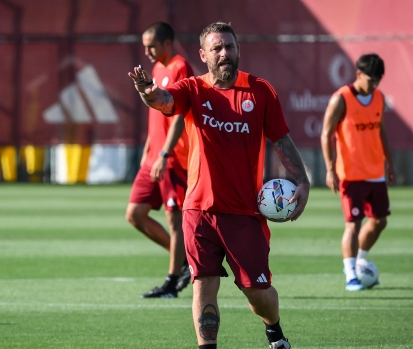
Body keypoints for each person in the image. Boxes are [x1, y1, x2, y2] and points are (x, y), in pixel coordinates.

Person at [128, 22, 309, 349]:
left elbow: (280, 138)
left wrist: (302, 180)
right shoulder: (193, 89)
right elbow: (164, 101)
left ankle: (274, 330)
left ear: (238, 49)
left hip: (244, 213)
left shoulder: (260, 90)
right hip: (198, 211)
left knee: (257, 293)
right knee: (203, 285)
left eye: (229, 47)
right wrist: (147, 91)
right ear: (204, 54)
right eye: (217, 48)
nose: (225, 53)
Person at [125, 22, 194, 299]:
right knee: (135, 214)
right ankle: (186, 261)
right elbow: (156, 113)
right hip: (153, 157)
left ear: (167, 43)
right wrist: (149, 149)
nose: (147, 51)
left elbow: (180, 113)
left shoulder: (180, 66)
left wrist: (165, 153)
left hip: (173, 159)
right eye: (144, 45)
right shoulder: (155, 70)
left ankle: (171, 281)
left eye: (151, 45)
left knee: (174, 221)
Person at [320, 53, 395, 292]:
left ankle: (360, 259)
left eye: (378, 80)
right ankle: (350, 273)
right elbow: (326, 134)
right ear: (359, 74)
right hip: (350, 173)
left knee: (380, 221)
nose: (375, 85)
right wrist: (330, 169)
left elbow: (381, 130)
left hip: (375, 172)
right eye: (371, 79)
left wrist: (389, 162)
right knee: (353, 223)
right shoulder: (341, 98)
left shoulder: (379, 98)